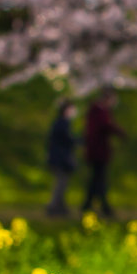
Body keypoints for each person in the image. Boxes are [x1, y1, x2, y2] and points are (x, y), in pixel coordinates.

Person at [81, 88, 126, 218]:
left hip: (97, 150)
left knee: (96, 178)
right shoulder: (99, 111)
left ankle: (88, 204)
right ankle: (103, 207)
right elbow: (105, 126)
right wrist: (120, 132)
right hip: (98, 151)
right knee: (100, 179)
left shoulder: (96, 111)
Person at [45, 99, 78, 217]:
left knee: (62, 183)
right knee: (61, 183)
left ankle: (59, 206)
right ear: (66, 110)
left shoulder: (61, 122)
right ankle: (54, 206)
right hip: (60, 158)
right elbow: (66, 139)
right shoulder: (62, 123)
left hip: (59, 157)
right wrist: (78, 141)